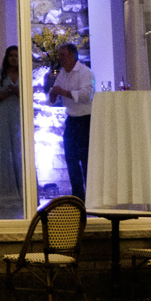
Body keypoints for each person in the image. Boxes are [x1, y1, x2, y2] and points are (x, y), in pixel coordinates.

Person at [47, 42, 93, 202]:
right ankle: (78, 197)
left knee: (86, 159)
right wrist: (52, 96)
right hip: (72, 120)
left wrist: (64, 92)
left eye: (63, 56)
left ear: (73, 55)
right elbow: (55, 93)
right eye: (59, 56)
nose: (60, 59)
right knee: (71, 158)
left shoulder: (85, 72)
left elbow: (87, 95)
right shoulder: (62, 74)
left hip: (86, 120)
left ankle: (91, 198)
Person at [0, 44, 23, 206]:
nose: (14, 58)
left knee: (20, 152)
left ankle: (23, 192)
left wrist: (17, 92)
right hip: (4, 114)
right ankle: (4, 193)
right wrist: (6, 93)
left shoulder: (24, 73)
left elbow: (30, 96)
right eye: (11, 55)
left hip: (19, 114)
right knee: (4, 152)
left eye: (16, 55)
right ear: (7, 58)